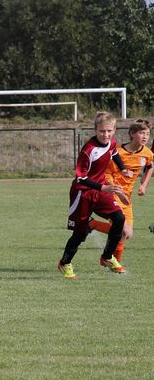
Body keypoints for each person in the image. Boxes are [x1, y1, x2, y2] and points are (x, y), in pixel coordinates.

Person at [57, 112, 132, 279]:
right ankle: (65, 262)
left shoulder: (112, 142)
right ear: (95, 130)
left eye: (109, 131)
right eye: (102, 131)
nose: (106, 134)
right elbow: (81, 178)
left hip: (101, 189)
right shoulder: (89, 150)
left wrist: (122, 169)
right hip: (82, 192)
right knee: (80, 233)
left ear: (114, 130)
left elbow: (114, 153)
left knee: (119, 218)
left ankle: (107, 256)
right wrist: (103, 187)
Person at [88, 119, 152, 265]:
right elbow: (105, 173)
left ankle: (92, 225)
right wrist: (114, 189)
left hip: (127, 197)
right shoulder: (117, 152)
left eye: (147, 134)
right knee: (125, 231)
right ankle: (112, 261)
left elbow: (150, 166)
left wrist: (143, 185)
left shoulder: (147, 153)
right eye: (141, 133)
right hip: (112, 194)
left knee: (126, 234)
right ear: (132, 134)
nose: (145, 137)